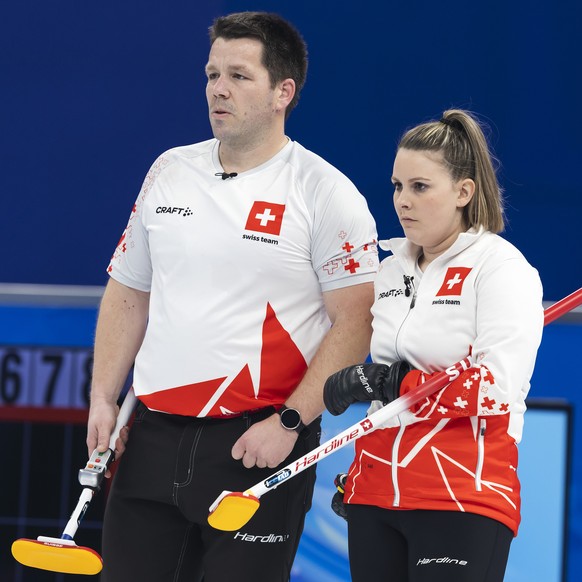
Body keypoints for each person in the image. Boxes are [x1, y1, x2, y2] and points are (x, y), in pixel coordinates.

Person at [86, 11, 379, 582]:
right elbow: (127, 291)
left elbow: (355, 323)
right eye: (212, 73)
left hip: (258, 443)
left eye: (240, 76)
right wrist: (103, 396)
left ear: (283, 92)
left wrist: (291, 423)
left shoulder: (326, 193)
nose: (218, 88)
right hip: (150, 438)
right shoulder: (169, 171)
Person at [323, 109, 544, 582]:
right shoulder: (390, 270)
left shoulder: (500, 268)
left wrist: (395, 381)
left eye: (420, 186)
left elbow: (496, 389)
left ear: (464, 192)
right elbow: (384, 399)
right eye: (397, 186)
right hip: (377, 490)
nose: (403, 200)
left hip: (460, 491)